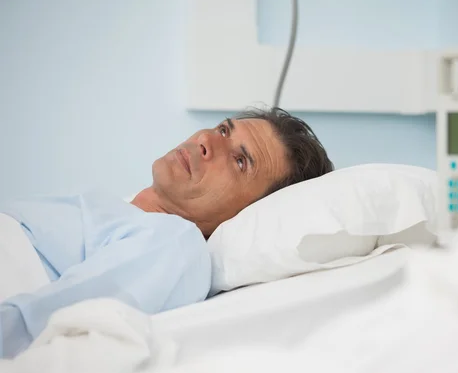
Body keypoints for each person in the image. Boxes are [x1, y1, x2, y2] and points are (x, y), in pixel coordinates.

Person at [0, 107, 334, 358]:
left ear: (246, 215)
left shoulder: (173, 242)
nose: (205, 140)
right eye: (222, 130)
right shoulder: (118, 211)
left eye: (240, 162)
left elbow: (34, 327)